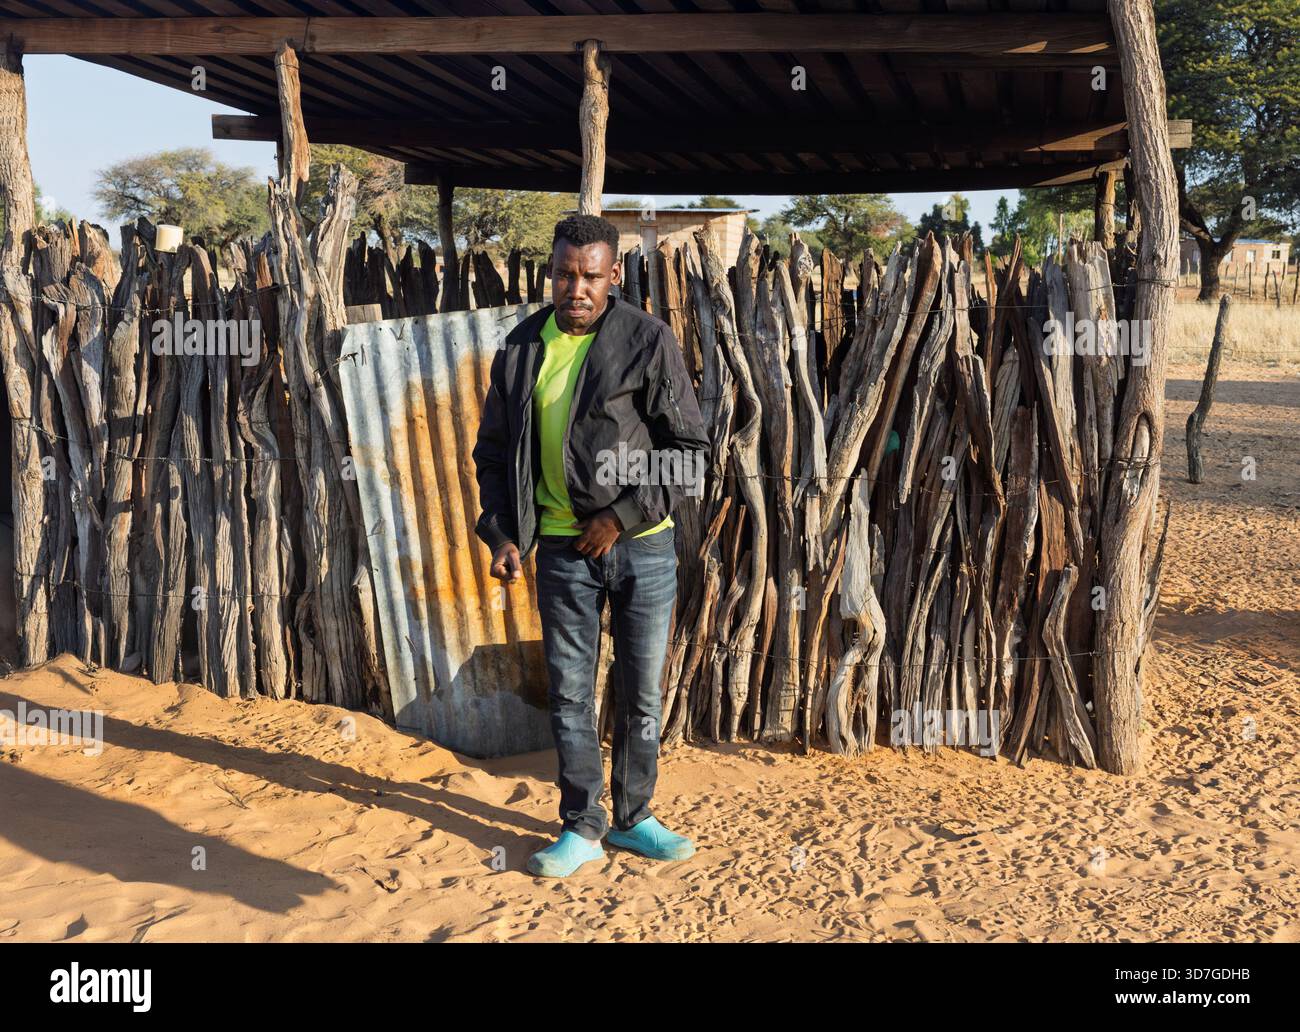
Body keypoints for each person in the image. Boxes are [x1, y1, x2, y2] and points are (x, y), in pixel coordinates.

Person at [472, 214, 710, 878]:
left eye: (590, 275)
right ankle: (581, 824)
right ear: (551, 272)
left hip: (644, 550)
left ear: (614, 276)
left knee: (640, 691)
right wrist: (504, 533)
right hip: (560, 552)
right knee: (572, 692)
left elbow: (688, 454)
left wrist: (622, 517)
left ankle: (635, 820)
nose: (576, 287)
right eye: (565, 273)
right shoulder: (521, 348)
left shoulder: (645, 341)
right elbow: (491, 453)